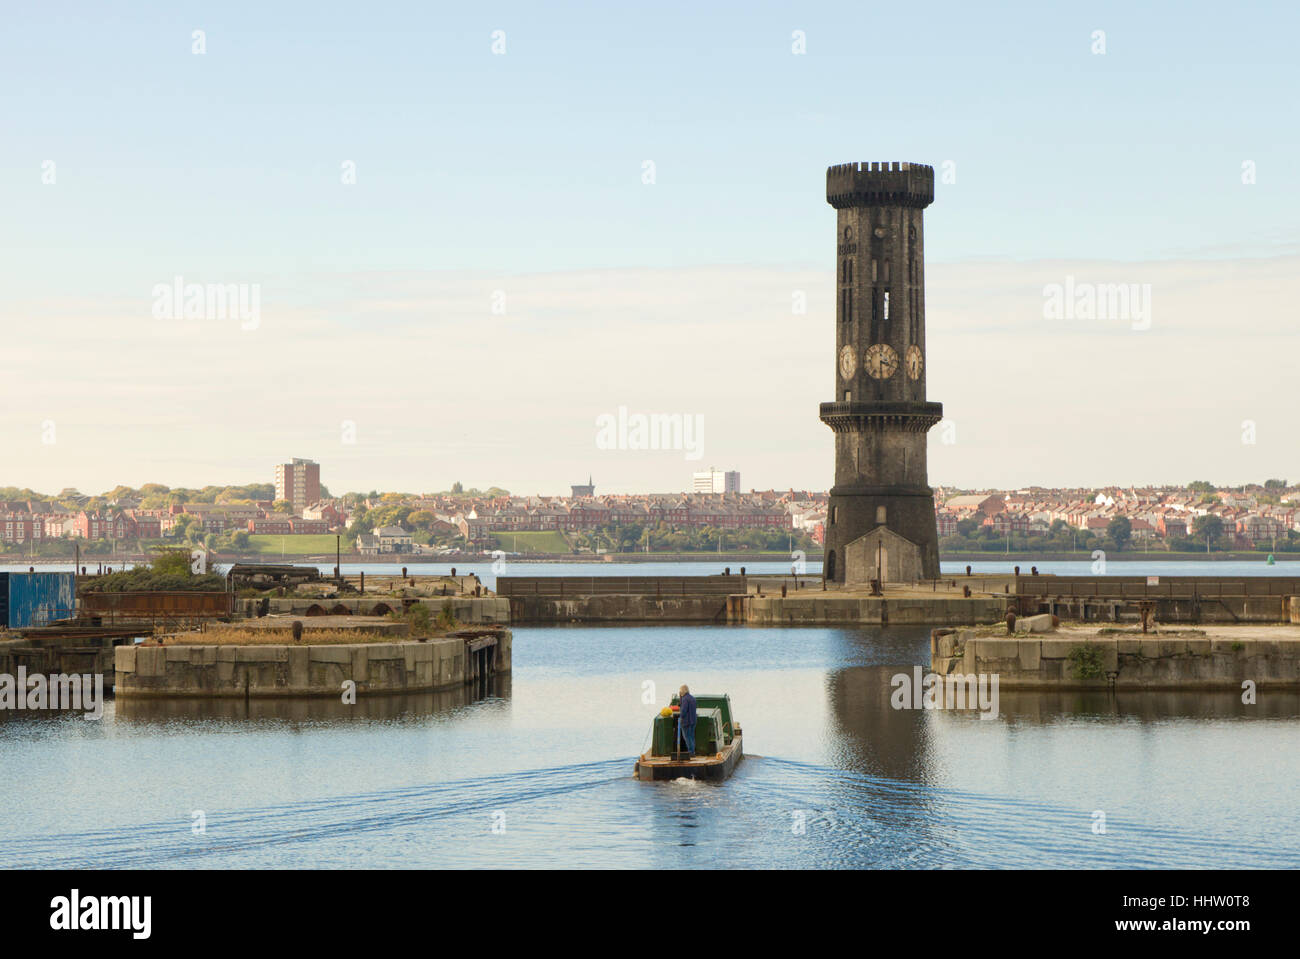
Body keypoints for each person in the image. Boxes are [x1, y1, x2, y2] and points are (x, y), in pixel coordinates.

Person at [677, 684, 697, 757]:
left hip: (686, 722)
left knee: (687, 737)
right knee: (691, 736)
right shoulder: (693, 698)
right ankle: (693, 751)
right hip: (693, 720)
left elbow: (684, 711)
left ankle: (690, 752)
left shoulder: (685, 699)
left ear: (682, 691)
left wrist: (680, 716)